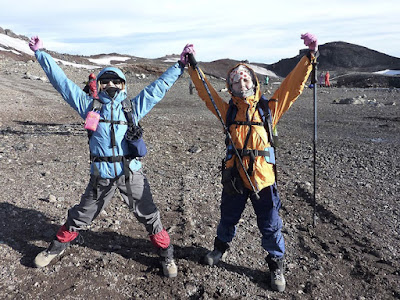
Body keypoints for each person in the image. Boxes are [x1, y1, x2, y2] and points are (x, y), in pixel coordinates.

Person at [29, 36, 191, 278]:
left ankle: (166, 253)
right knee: (81, 215)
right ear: (100, 85)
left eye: (116, 81)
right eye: (105, 81)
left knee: (149, 214)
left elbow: (157, 89)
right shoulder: (89, 105)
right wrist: (41, 53)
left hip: (131, 173)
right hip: (101, 176)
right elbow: (62, 82)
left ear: (124, 85)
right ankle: (57, 247)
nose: (111, 85)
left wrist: (180, 65)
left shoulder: (132, 108)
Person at [186, 33, 318, 292]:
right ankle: (219, 249)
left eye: (244, 77)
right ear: (230, 87)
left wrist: (309, 58)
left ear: (253, 81)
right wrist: (193, 66)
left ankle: (276, 264)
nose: (240, 80)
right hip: (235, 176)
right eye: (235, 79)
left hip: (263, 178)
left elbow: (292, 87)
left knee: (270, 224)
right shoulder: (229, 112)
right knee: (228, 217)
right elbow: (206, 93)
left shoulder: (270, 108)